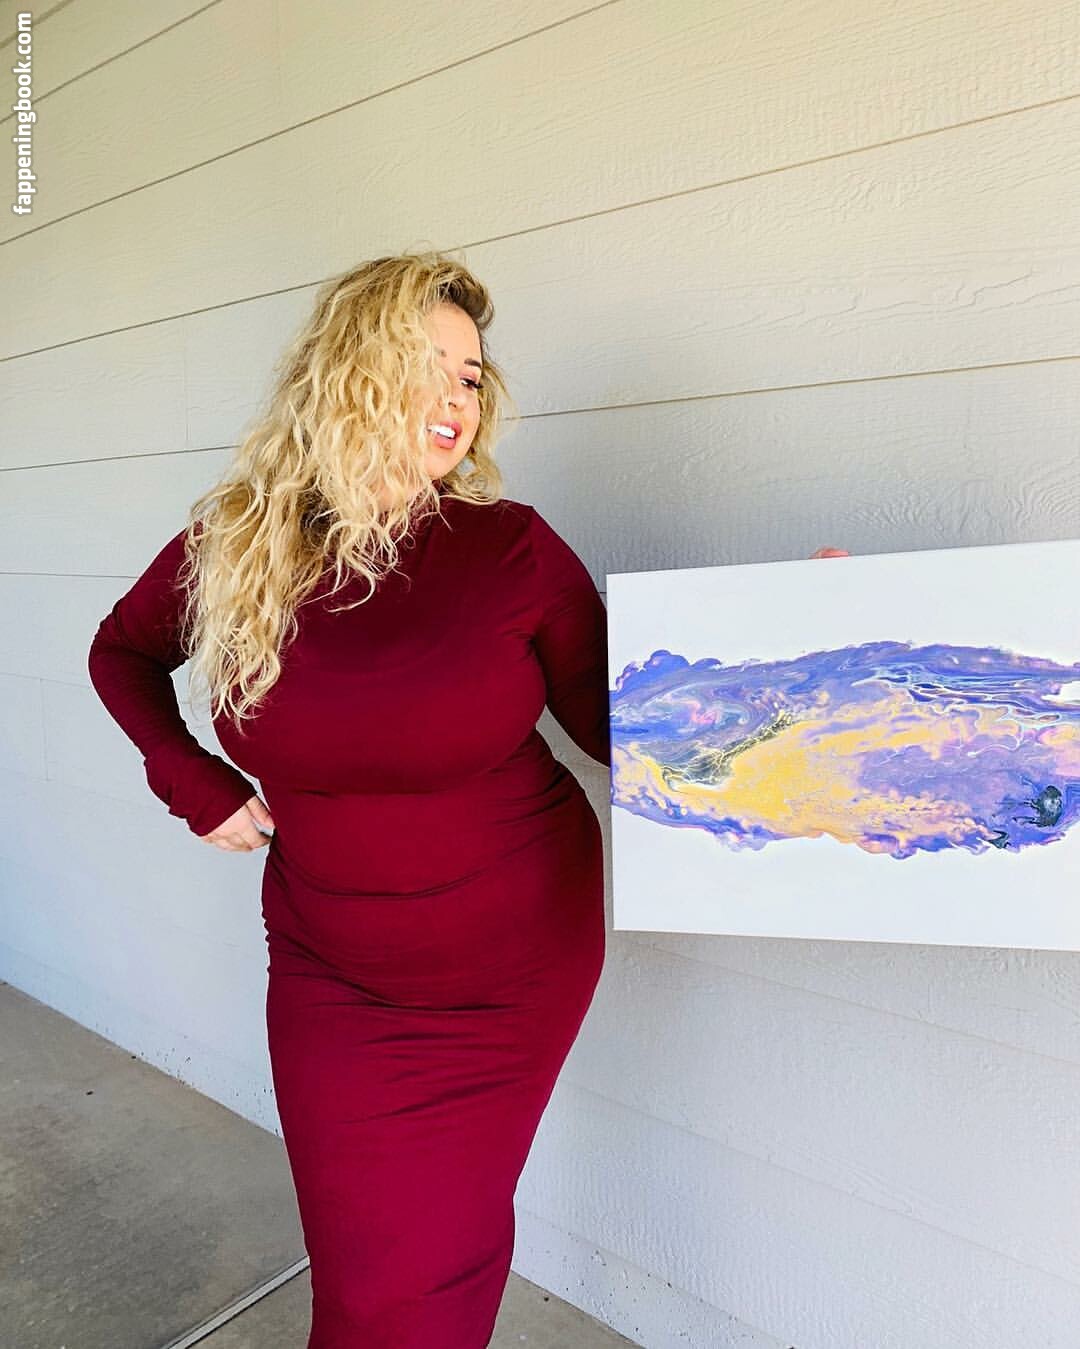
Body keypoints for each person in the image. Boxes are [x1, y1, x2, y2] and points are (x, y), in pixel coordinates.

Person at [86, 250, 848, 1347]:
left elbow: (627, 728)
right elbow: (121, 650)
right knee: (368, 1263)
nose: (457, 400)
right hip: (329, 966)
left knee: (427, 1261)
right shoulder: (239, 542)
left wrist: (799, 650)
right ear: (347, 374)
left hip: (509, 966)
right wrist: (192, 780)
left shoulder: (510, 551)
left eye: (472, 377)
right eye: (428, 367)